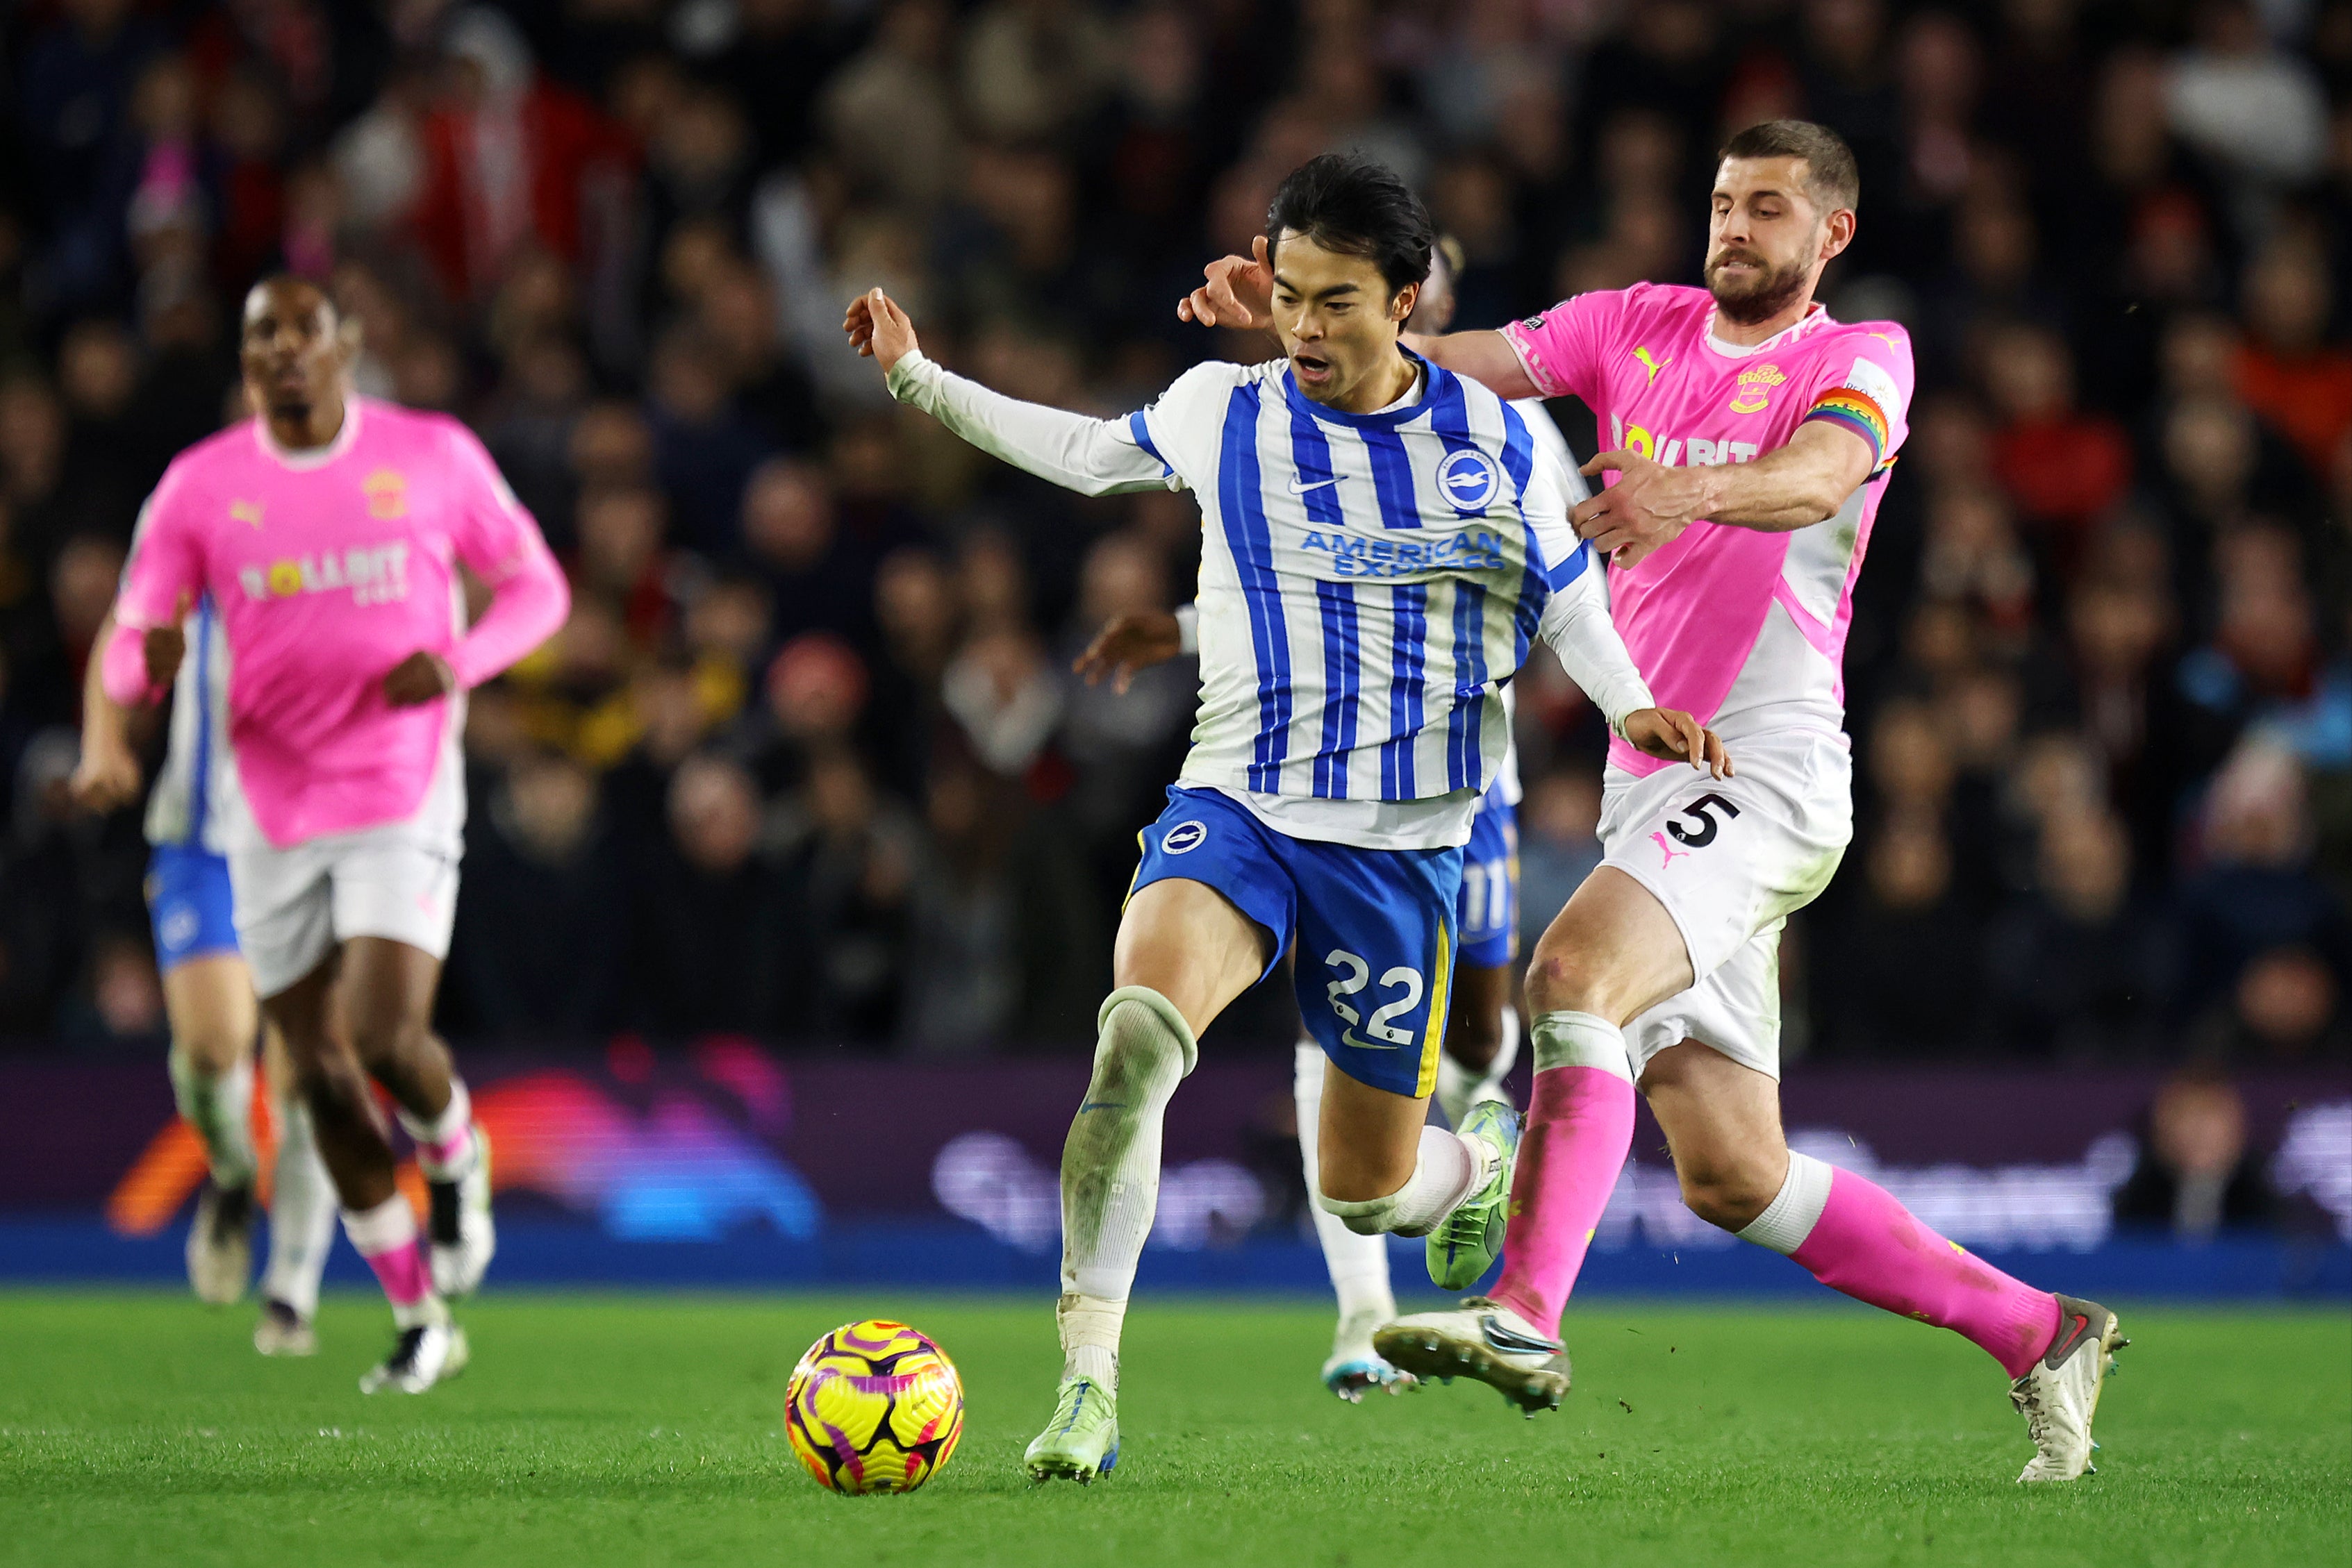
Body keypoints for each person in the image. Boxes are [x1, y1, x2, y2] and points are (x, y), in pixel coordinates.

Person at [1179, 117, 2126, 1484]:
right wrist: (1295, 333)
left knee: (1571, 972)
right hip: (1655, 784)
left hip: (1770, 765)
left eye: (1768, 210)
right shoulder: (1630, 324)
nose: (1735, 227)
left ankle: (1523, 1314)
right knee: (1734, 1173)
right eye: (1723, 202)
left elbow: (1821, 474)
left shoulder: (1859, 359)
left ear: (1830, 237)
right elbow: (1445, 370)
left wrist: (1692, 491)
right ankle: (2042, 1330)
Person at [849, 152, 1727, 1483]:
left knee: (1365, 1188)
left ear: (1407, 300)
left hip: (1401, 853)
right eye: (1293, 298)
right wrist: (920, 376)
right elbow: (1083, 456)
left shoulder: (1491, 440)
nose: (1308, 329)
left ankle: (1472, 1156)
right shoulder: (1224, 409)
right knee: (1135, 1037)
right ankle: (1086, 1385)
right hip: (1240, 804)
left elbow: (1562, 591)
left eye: (1337, 302)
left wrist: (1630, 702)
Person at [1075, 234, 1592, 1402]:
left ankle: (1483, 1202)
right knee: (1330, 1020)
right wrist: (1191, 628)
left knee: (1475, 1044)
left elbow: (1562, 589)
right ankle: (1363, 1313)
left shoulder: (1500, 424)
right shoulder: (1298, 415)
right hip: (1333, 789)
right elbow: (1308, 586)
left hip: (1471, 792)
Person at [102, 276, 571, 1394]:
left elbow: (537, 591)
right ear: (249, 359)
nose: (285, 352)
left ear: (346, 347)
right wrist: (145, 666)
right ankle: (419, 1316)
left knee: (380, 1034)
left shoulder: (434, 455)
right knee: (312, 1073)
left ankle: (456, 1153)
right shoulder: (199, 487)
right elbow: (131, 637)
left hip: (398, 790)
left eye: (304, 332)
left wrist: (455, 661)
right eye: (262, 333)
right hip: (262, 811)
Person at [74, 599, 340, 1356]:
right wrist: (103, 739)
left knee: (309, 1068)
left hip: (320, 844)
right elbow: (119, 627)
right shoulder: (204, 518)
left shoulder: (361, 532)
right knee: (218, 1044)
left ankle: (291, 1291)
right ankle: (229, 1173)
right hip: (205, 845)